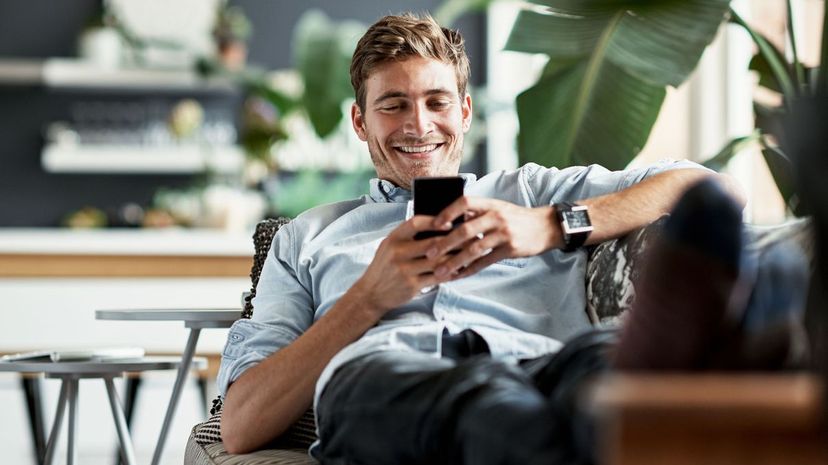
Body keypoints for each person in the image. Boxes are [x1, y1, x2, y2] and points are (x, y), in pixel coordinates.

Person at [217, 12, 754, 464]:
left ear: (464, 112)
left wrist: (548, 224)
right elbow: (240, 426)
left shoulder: (531, 190)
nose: (419, 125)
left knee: (600, 359)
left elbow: (712, 190)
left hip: (542, 363)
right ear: (360, 122)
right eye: (393, 105)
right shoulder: (306, 238)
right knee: (494, 406)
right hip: (384, 377)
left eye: (437, 101)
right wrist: (365, 299)